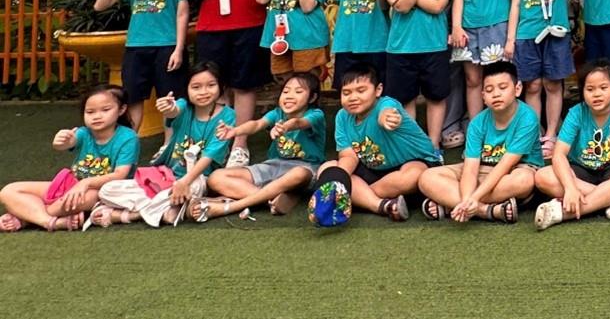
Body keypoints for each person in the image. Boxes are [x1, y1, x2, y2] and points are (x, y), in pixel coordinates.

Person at [175, 0, 282, 166]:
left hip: (251, 25)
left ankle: (240, 144)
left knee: (245, 86)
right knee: (215, 86)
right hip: (211, 27)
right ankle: (217, 142)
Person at [418, 60, 542, 223]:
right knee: (427, 177)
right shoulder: (477, 122)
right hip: (482, 169)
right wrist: (469, 199)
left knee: (524, 181)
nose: (496, 94)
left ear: (517, 89)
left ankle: (451, 204)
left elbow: (505, 165)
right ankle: (486, 211)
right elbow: (470, 168)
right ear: (483, 96)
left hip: (515, 169)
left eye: (502, 88)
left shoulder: (528, 118)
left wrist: (474, 197)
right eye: (489, 90)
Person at [0, 85, 136, 232]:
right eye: (90, 112)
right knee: (8, 191)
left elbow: (120, 174)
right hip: (71, 184)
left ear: (121, 110)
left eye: (105, 110)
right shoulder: (84, 132)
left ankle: (27, 218)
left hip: (104, 191)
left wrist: (85, 183)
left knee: (88, 197)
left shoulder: (128, 137)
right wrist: (61, 141)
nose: (97, 116)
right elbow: (67, 144)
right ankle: (50, 221)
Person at [193, 71, 325, 220]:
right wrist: (235, 130)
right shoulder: (277, 113)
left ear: (312, 97)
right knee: (216, 177)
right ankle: (272, 199)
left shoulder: (316, 114)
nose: (289, 96)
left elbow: (299, 123)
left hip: (306, 168)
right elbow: (257, 124)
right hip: (274, 165)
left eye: (298, 92)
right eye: (286, 91)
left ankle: (231, 206)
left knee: (299, 173)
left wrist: (285, 127)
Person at [318, 62, 441, 221]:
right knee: (328, 168)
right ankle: (382, 205)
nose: (353, 98)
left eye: (361, 91)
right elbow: (348, 156)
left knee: (413, 174)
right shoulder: (342, 116)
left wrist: (387, 119)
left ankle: (357, 198)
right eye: (346, 93)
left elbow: (387, 112)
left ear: (378, 90)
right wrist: (339, 180)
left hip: (414, 163)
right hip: (375, 171)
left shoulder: (387, 104)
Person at [94, 0, 189, 130]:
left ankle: (169, 145)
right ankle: (130, 143)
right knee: (133, 98)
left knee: (169, 100)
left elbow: (182, 14)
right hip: (136, 47)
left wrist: (179, 49)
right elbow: (101, 5)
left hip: (168, 47)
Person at [534, 59, 610, 229]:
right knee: (542, 176)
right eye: (590, 89)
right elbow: (559, 154)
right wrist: (570, 187)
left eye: (603, 88)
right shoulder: (576, 113)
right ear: (583, 92)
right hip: (580, 170)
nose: (597, 94)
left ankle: (563, 213)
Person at [384, 0, 453, 153]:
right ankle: (412, 145)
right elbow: (402, 7)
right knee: (405, 99)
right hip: (401, 48)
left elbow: (438, 6)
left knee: (436, 96)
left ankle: (433, 144)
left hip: (434, 46)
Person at [505, 0, 574, 157]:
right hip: (526, 35)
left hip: (556, 34)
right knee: (532, 85)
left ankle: (552, 133)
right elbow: (515, 5)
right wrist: (510, 40)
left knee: (553, 84)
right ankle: (534, 132)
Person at [151, 62, 237, 223]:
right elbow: (174, 110)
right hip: (167, 174)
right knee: (108, 190)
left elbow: (209, 155)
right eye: (196, 87)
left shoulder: (228, 115)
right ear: (187, 89)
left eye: (211, 85)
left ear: (221, 86)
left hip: (199, 178)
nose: (203, 92)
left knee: (193, 188)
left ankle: (147, 210)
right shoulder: (184, 106)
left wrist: (184, 181)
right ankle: (172, 210)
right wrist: (168, 108)